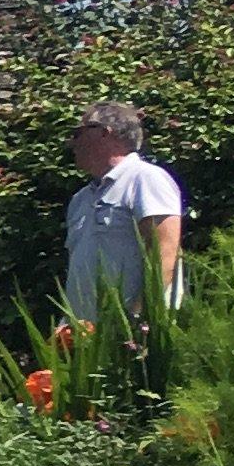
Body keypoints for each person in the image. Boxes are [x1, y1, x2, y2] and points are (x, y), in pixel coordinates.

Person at [61, 101, 185, 323]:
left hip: (134, 335)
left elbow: (165, 252)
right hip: (86, 337)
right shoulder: (80, 199)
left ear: (104, 133)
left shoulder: (145, 179)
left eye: (77, 133)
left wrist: (138, 319)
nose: (72, 142)